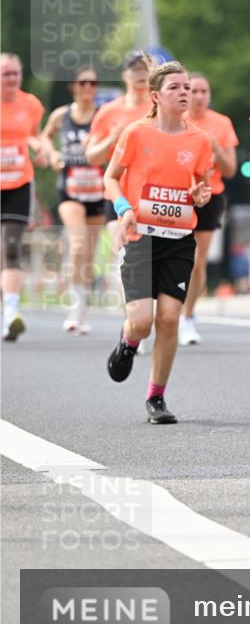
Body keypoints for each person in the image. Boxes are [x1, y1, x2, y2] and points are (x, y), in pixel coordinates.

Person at [103, 61, 213, 424]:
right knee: (141, 322)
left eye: (187, 86)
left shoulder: (198, 139)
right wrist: (123, 209)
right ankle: (128, 341)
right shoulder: (136, 134)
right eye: (176, 88)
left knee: (169, 319)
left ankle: (156, 398)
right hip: (141, 237)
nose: (185, 93)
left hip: (179, 238)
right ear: (155, 96)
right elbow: (111, 178)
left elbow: (201, 186)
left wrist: (200, 195)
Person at [42, 66, 105, 334]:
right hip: (70, 188)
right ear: (73, 86)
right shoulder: (62, 115)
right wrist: (53, 154)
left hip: (98, 190)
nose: (88, 88)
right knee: (78, 244)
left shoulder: (103, 116)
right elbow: (44, 137)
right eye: (83, 83)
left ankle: (82, 311)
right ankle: (73, 306)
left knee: (89, 253)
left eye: (92, 83)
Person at [180, 72, 238, 344]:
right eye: (194, 91)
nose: (199, 96)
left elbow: (230, 170)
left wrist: (215, 145)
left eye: (204, 91)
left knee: (196, 262)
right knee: (172, 258)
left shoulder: (221, 123)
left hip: (210, 195)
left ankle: (187, 316)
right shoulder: (175, 122)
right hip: (177, 196)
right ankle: (166, 310)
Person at [0, 53, 48, 341]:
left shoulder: (30, 104)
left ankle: (11, 314)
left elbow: (35, 134)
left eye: (16, 73)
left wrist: (41, 147)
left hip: (19, 182)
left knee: (12, 248)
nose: (12, 79)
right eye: (6, 74)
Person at [86, 51, 152, 247]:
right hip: (118, 194)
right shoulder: (108, 111)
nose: (141, 74)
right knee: (124, 253)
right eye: (135, 69)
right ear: (125, 74)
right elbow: (91, 157)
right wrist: (110, 140)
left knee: (151, 259)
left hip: (151, 195)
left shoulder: (159, 108)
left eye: (145, 69)